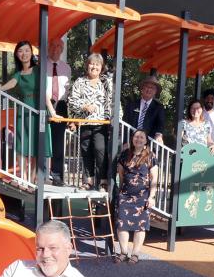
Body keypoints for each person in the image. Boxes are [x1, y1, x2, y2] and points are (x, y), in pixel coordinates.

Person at [0, 41, 55, 180]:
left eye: (27, 50)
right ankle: (22, 179)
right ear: (17, 55)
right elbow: (10, 84)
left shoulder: (39, 70)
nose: (24, 54)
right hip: (23, 112)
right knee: (20, 144)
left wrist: (52, 111)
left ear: (31, 52)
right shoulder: (18, 74)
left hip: (38, 110)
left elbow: (45, 92)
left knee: (37, 146)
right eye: (20, 51)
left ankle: (31, 179)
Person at [67, 53, 116, 191]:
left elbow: (113, 101)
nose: (94, 67)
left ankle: (103, 181)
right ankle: (88, 181)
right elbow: (72, 101)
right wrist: (84, 106)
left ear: (101, 67)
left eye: (97, 64)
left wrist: (116, 118)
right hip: (85, 122)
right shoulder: (80, 81)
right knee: (86, 151)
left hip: (102, 123)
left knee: (100, 150)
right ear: (87, 65)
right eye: (92, 63)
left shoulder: (106, 82)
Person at [114, 130, 157, 264]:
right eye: (136, 137)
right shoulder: (125, 154)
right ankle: (123, 252)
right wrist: (121, 191)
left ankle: (135, 254)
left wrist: (152, 197)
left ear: (145, 141)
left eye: (141, 137)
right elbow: (121, 174)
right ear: (132, 139)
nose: (138, 139)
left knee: (140, 226)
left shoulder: (150, 156)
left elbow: (154, 178)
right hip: (125, 195)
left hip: (142, 196)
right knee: (122, 224)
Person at [43, 38, 70, 184]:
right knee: (42, 139)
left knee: (58, 142)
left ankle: (57, 175)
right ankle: (41, 173)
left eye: (59, 46)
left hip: (60, 105)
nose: (55, 49)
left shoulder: (67, 68)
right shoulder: (40, 64)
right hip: (43, 104)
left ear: (62, 49)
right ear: (48, 47)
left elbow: (67, 91)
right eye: (53, 45)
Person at [124, 76, 165, 142]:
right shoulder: (131, 104)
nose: (149, 89)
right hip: (131, 142)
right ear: (142, 89)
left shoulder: (158, 107)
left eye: (152, 88)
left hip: (148, 144)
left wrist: (159, 135)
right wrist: (125, 142)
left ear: (155, 92)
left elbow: (160, 124)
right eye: (147, 87)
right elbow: (125, 123)